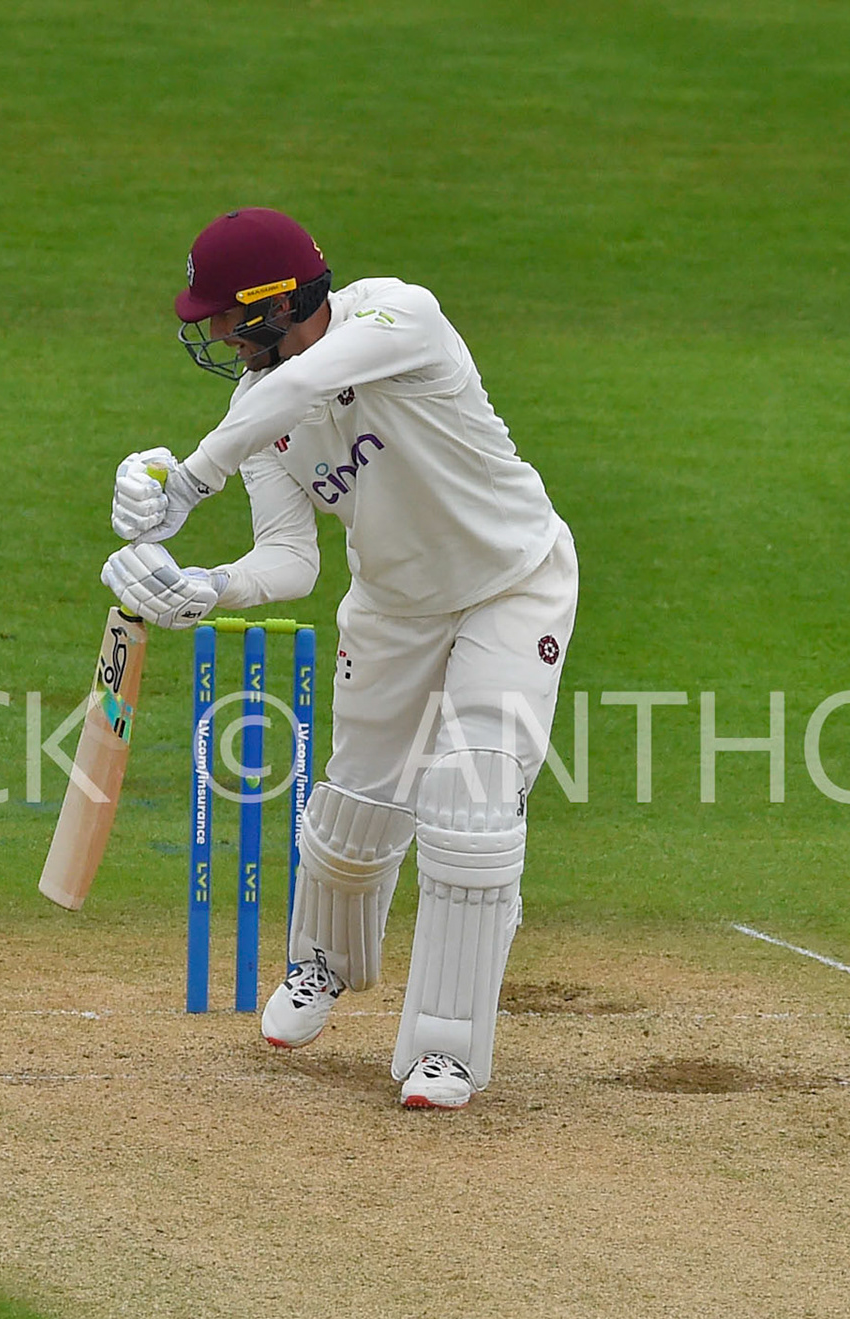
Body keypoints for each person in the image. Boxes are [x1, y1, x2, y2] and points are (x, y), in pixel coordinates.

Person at [101, 207, 577, 1110]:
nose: (215, 334)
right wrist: (205, 586)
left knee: (471, 802)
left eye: (224, 315)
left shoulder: (399, 316)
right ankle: (320, 963)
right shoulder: (255, 415)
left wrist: (190, 481)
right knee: (356, 799)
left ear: (278, 303)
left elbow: (308, 382)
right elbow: (290, 560)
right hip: (393, 606)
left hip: (513, 582)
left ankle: (445, 1049)